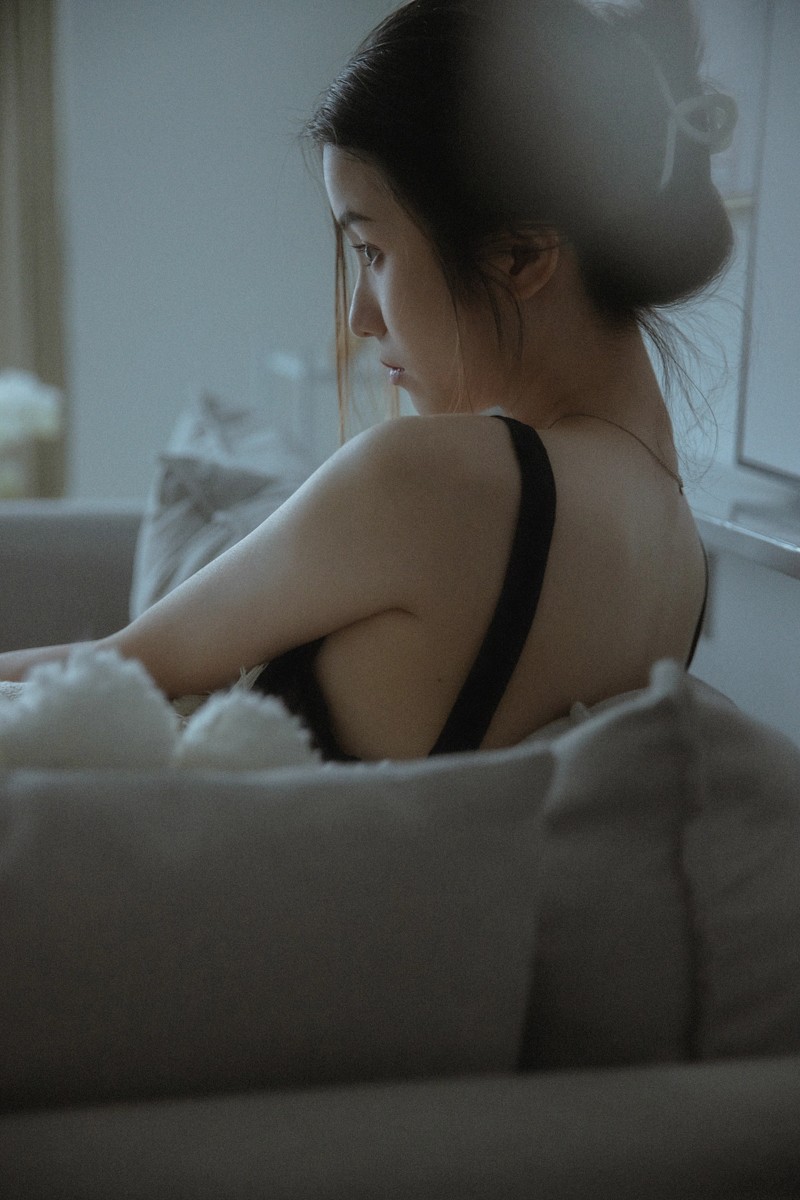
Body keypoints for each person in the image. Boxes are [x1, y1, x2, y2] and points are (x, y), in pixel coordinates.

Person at [0, 0, 736, 762]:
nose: (358, 316)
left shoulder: (433, 482)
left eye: (373, 253)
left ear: (520, 258)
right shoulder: (678, 547)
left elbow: (111, 671)